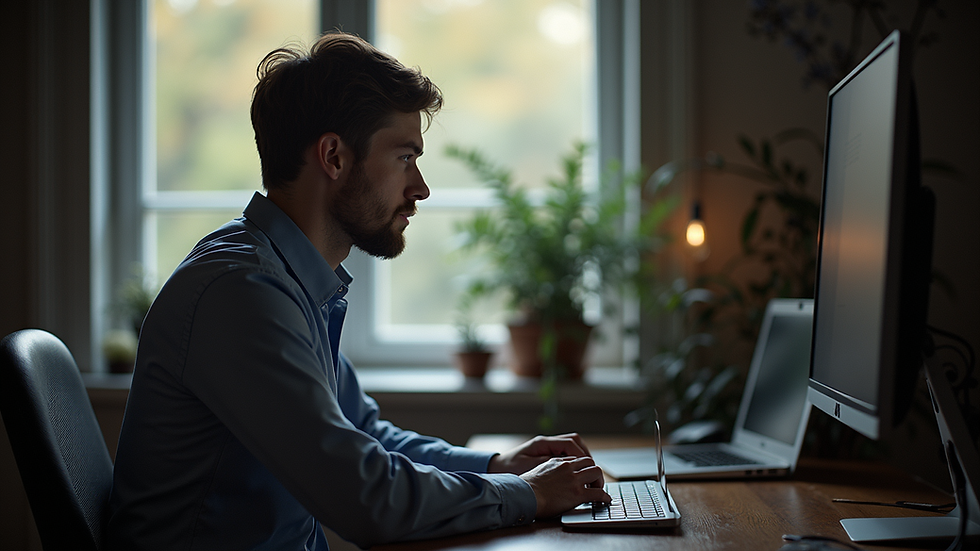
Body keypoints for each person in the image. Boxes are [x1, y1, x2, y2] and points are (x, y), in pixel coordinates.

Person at [106, 31, 610, 551]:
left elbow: (365, 438)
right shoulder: (242, 294)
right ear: (334, 156)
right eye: (404, 158)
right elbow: (366, 497)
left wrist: (497, 466)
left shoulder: (290, 284)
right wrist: (524, 494)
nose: (420, 188)